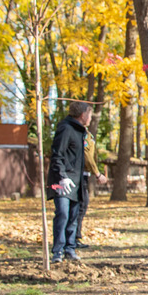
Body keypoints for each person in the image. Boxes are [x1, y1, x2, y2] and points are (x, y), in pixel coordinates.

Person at [47, 101, 93, 263]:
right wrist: (62, 176)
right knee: (63, 214)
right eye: (90, 114)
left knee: (74, 215)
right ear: (82, 115)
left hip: (76, 181)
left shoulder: (80, 131)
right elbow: (57, 154)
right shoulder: (66, 129)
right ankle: (57, 251)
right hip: (62, 180)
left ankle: (70, 248)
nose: (91, 118)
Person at [75, 115, 108, 249]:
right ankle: (74, 237)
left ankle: (75, 236)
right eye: (88, 114)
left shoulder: (86, 133)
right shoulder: (80, 133)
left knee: (81, 205)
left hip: (83, 174)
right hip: (79, 174)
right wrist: (97, 173)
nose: (90, 117)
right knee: (81, 206)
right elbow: (87, 155)